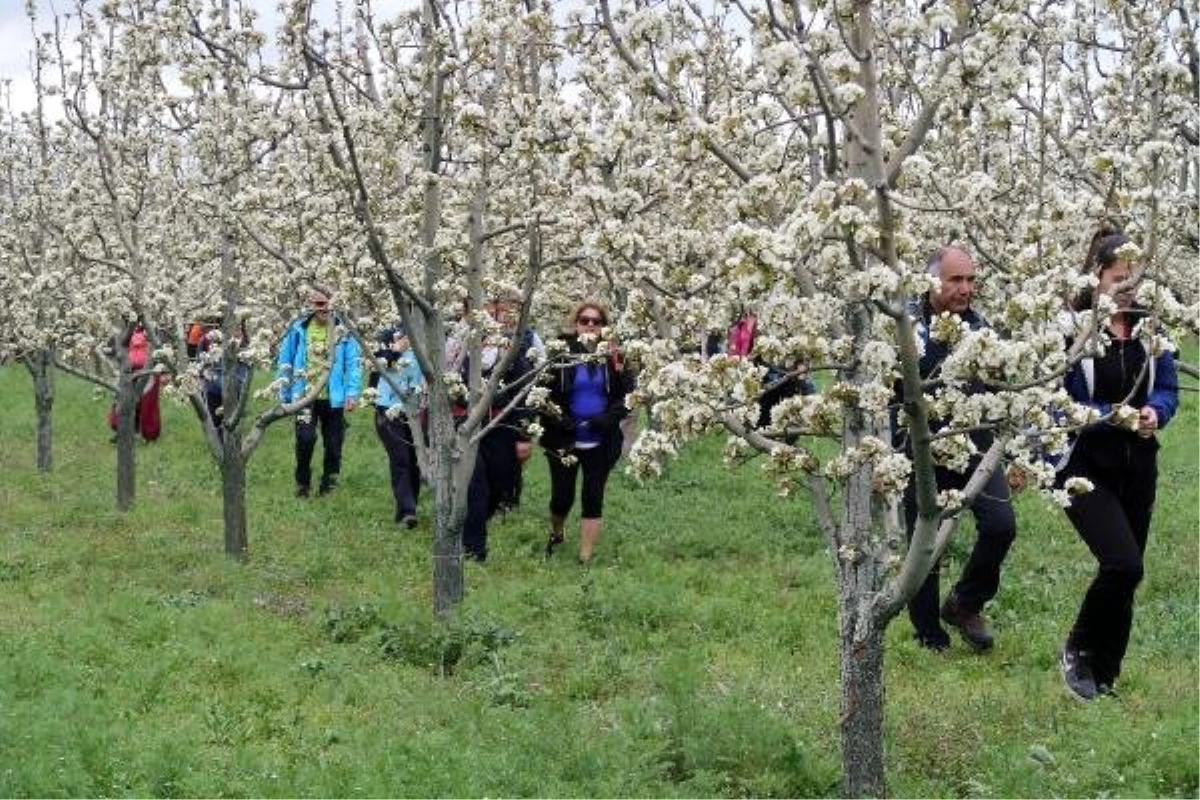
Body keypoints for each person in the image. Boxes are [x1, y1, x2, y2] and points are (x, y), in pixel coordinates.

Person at [1056, 229, 1179, 700]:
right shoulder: (1075, 330)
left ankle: (1104, 676)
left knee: (1131, 570)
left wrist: (1156, 413)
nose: (1128, 287)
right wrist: (1114, 416)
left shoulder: (1153, 333)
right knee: (1121, 563)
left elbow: (1166, 388)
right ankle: (1078, 650)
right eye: (1118, 277)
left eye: (1136, 278)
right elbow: (1060, 401)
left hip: (1138, 467)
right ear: (1098, 278)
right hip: (1084, 467)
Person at [898, 246, 1018, 652]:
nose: (965, 289)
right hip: (922, 447)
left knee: (1001, 526)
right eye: (956, 280)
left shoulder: (983, 328)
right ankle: (929, 635)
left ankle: (965, 603)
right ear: (932, 280)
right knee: (925, 543)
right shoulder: (907, 328)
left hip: (976, 446)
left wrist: (1016, 452)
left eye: (970, 279)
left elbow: (1005, 392)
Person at [539, 301, 633, 564]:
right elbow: (544, 396)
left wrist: (605, 420)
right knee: (562, 497)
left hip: (600, 439)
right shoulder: (560, 354)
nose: (590, 325)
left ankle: (585, 555)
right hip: (564, 437)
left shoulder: (614, 357)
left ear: (604, 326)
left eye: (596, 321)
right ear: (576, 323)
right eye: (585, 320)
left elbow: (627, 396)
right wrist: (562, 420)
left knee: (593, 496)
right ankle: (557, 532)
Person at [450, 294, 539, 561]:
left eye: (495, 307)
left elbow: (525, 391)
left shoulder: (514, 348)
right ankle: (474, 550)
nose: (491, 312)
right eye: (485, 306)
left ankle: (479, 525)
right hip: (466, 424)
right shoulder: (460, 345)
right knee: (474, 487)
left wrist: (524, 434)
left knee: (500, 486)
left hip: (503, 425)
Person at [276, 285, 362, 497]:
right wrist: (284, 393)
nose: (324, 309)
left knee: (334, 444)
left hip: (333, 396)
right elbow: (285, 361)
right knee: (305, 439)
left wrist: (352, 393)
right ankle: (302, 482)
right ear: (311, 305)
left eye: (328, 304)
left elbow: (353, 364)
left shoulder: (343, 331)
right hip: (304, 394)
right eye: (319, 304)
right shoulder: (299, 329)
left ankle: (329, 484)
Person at [372, 324, 425, 529]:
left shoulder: (428, 335)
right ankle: (408, 511)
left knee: (415, 461)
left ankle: (407, 507)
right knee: (401, 458)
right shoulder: (388, 334)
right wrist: (395, 350)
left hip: (417, 411)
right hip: (388, 409)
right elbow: (375, 362)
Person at [107, 324, 163, 443]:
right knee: (123, 399)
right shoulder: (126, 328)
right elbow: (119, 346)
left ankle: (148, 434)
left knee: (147, 403)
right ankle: (122, 430)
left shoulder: (153, 328)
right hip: (128, 371)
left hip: (148, 371)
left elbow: (159, 348)